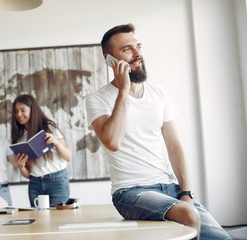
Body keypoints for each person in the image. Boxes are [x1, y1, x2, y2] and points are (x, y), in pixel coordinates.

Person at [85, 24, 231, 239]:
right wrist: (123, 90)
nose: (138, 54)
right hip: (130, 192)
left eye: (139, 47)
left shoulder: (159, 93)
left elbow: (174, 146)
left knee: (222, 237)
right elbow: (113, 141)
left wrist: (186, 192)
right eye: (127, 49)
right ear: (109, 59)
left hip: (171, 188)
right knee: (189, 216)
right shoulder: (96, 99)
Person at [11, 94, 72, 207]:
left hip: (56, 181)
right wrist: (21, 167)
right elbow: (28, 174)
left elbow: (68, 157)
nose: (18, 114)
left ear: (32, 110)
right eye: (16, 111)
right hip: (35, 184)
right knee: (38, 222)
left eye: (23, 110)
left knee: (59, 220)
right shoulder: (20, 138)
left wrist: (56, 142)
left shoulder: (49, 128)